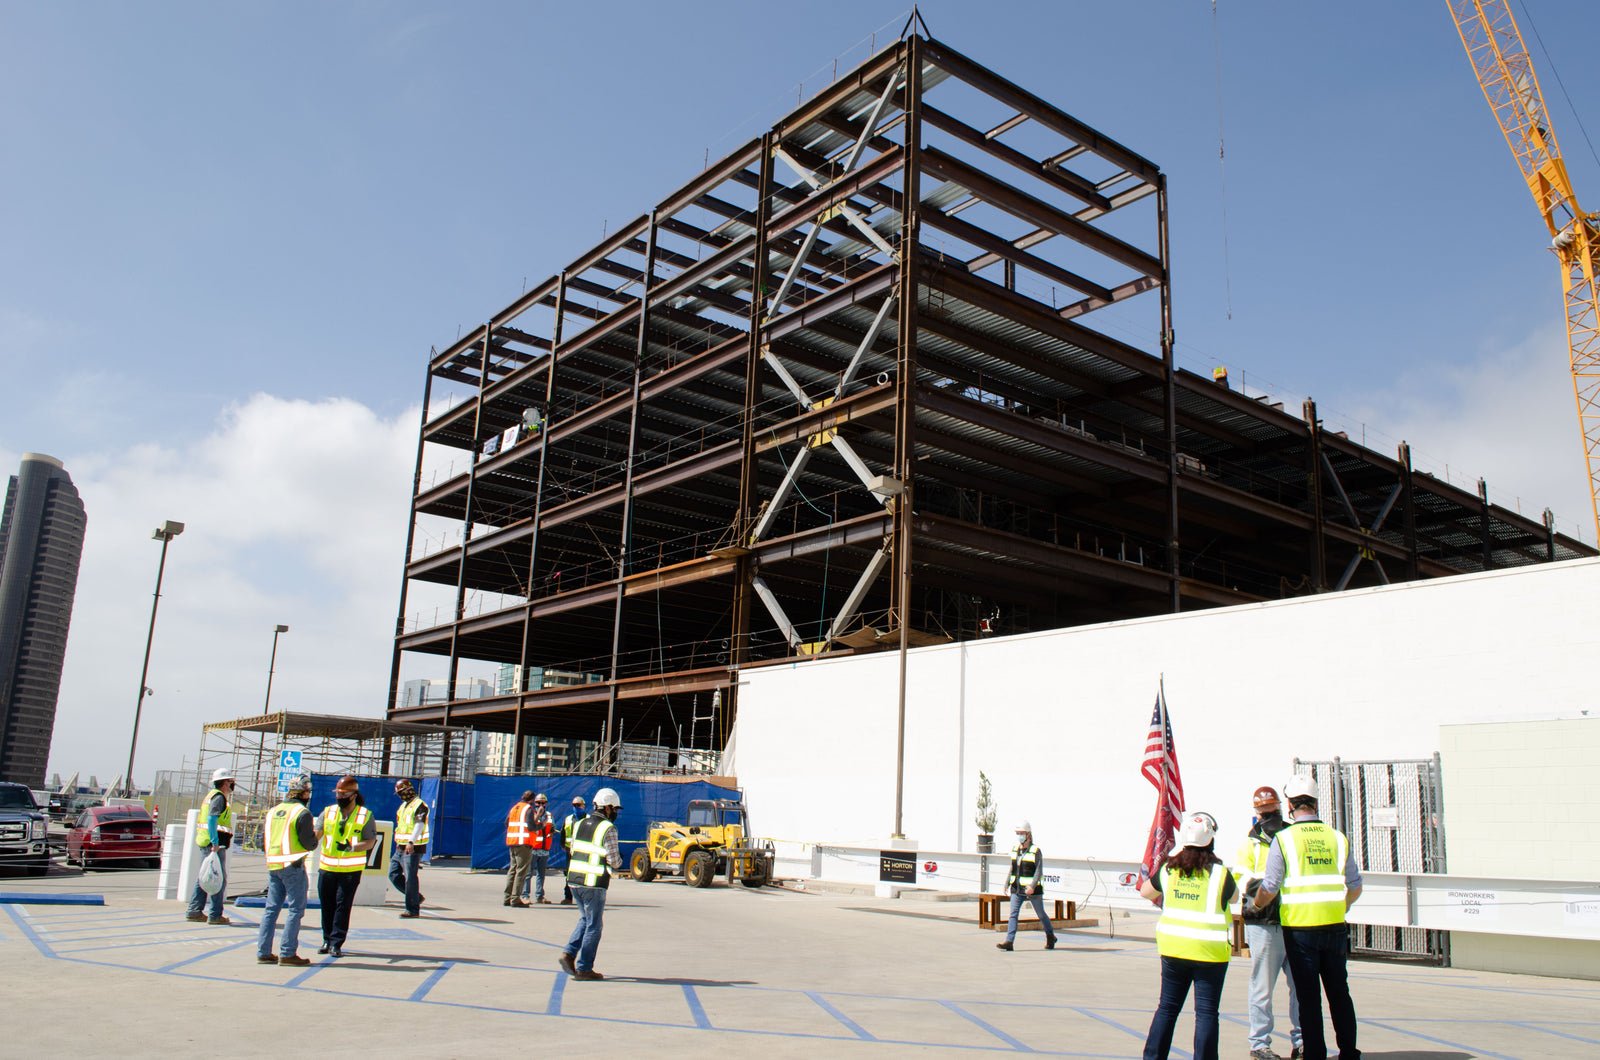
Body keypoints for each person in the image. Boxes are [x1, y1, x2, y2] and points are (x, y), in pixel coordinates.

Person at [1253, 776, 1363, 1060]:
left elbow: (1270, 887)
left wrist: (1256, 904)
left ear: (1290, 805)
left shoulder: (1284, 839)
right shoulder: (1337, 837)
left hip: (1300, 930)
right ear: (1315, 802)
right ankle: (1349, 1052)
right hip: (1334, 927)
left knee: (1308, 997)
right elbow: (1355, 886)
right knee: (1339, 993)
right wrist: (1341, 907)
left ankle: (1314, 1053)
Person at [1140, 810, 1236, 1060]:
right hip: (1210, 952)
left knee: (1167, 1008)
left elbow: (1146, 892)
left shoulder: (1169, 870)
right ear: (1211, 840)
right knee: (1206, 1013)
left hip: (1174, 949)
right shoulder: (1220, 874)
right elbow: (1235, 897)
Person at [1234, 785, 1303, 1060]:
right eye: (1263, 810)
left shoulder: (1291, 837)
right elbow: (1242, 880)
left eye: (1272, 809)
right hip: (1262, 923)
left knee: (1300, 988)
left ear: (1280, 808)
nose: (1268, 814)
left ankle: (1302, 1041)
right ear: (1256, 812)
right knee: (1262, 988)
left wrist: (1271, 883)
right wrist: (1271, 883)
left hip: (1294, 920)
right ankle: (1259, 1043)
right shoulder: (1250, 844)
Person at [558, 787, 622, 981]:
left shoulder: (579, 824)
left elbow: (573, 849)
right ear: (607, 808)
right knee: (594, 925)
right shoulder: (607, 828)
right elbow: (614, 861)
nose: (616, 813)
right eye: (615, 809)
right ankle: (584, 968)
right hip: (593, 883)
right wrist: (618, 859)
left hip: (574, 881)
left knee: (586, 919)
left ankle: (569, 953)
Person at [257, 774, 316, 967]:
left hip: (273, 865)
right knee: (296, 909)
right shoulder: (302, 813)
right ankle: (287, 953)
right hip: (293, 865)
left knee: (271, 909)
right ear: (305, 793)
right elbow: (309, 843)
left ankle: (263, 952)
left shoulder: (273, 811)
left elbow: (264, 839)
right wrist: (316, 838)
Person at [315, 776, 376, 959]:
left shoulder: (365, 815)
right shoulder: (328, 813)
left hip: (350, 871)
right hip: (327, 868)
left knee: (342, 906)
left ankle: (336, 943)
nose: (340, 797)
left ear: (354, 795)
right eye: (338, 794)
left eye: (344, 794)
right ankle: (326, 940)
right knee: (327, 905)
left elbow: (370, 842)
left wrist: (351, 847)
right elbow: (315, 836)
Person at [185, 768, 237, 925]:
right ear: (225, 783)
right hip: (213, 843)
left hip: (208, 841)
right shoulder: (219, 797)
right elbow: (212, 819)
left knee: (207, 876)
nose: (232, 785)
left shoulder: (213, 796)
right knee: (216, 878)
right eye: (231, 782)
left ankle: (194, 911)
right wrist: (215, 842)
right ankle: (215, 914)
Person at [996, 820, 1057, 951]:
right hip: (1017, 889)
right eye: (1018, 833)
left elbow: (1038, 871)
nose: (1019, 836)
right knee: (1013, 914)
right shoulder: (1015, 850)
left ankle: (1050, 936)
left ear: (1028, 834)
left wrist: (1032, 886)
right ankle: (1009, 941)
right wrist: (1007, 883)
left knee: (1041, 914)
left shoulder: (1035, 851)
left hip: (1032, 890)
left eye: (1021, 833)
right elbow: (1012, 868)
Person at [389, 778, 428, 918]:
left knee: (410, 878)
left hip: (413, 847)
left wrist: (411, 841)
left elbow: (419, 824)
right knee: (393, 874)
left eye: (402, 792)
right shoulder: (404, 806)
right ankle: (416, 897)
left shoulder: (419, 805)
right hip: (400, 847)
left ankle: (412, 909)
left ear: (409, 790)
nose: (400, 795)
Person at [504, 790, 536, 908]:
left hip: (513, 841)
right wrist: (540, 825)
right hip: (524, 843)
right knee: (521, 871)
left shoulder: (514, 808)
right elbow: (531, 826)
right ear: (532, 800)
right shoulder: (528, 809)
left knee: (513, 869)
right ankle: (515, 898)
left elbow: (507, 822)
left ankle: (507, 897)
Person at [523, 793, 555, 904]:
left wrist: (552, 833)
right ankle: (525, 895)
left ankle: (540, 896)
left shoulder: (549, 815)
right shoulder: (531, 813)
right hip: (532, 848)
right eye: (538, 802)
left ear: (546, 803)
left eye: (543, 803)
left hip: (544, 850)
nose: (540, 805)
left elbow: (552, 827)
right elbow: (529, 827)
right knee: (528, 873)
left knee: (541, 874)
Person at [559, 795, 586, 905]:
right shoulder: (569, 819)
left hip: (584, 851)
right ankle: (568, 897)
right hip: (570, 851)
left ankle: (584, 898)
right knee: (569, 874)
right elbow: (563, 833)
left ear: (583, 806)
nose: (576, 807)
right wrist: (563, 845)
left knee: (583, 875)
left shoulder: (588, 819)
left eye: (578, 805)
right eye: (574, 805)